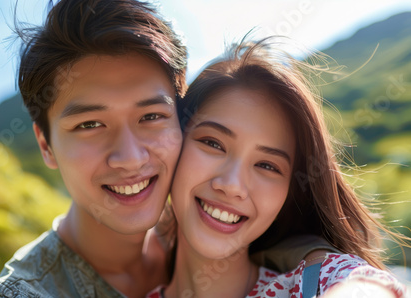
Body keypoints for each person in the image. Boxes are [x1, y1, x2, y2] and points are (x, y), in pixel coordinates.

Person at [0, 1, 337, 297]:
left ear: (181, 122)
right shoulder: (23, 293)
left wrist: (325, 263)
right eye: (90, 125)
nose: (131, 158)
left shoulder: (203, 227)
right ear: (46, 146)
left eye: (150, 116)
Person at [147, 37, 408, 297]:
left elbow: (365, 287)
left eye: (267, 165)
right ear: (176, 142)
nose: (232, 185)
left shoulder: (311, 284)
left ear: (288, 192)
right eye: (213, 144)